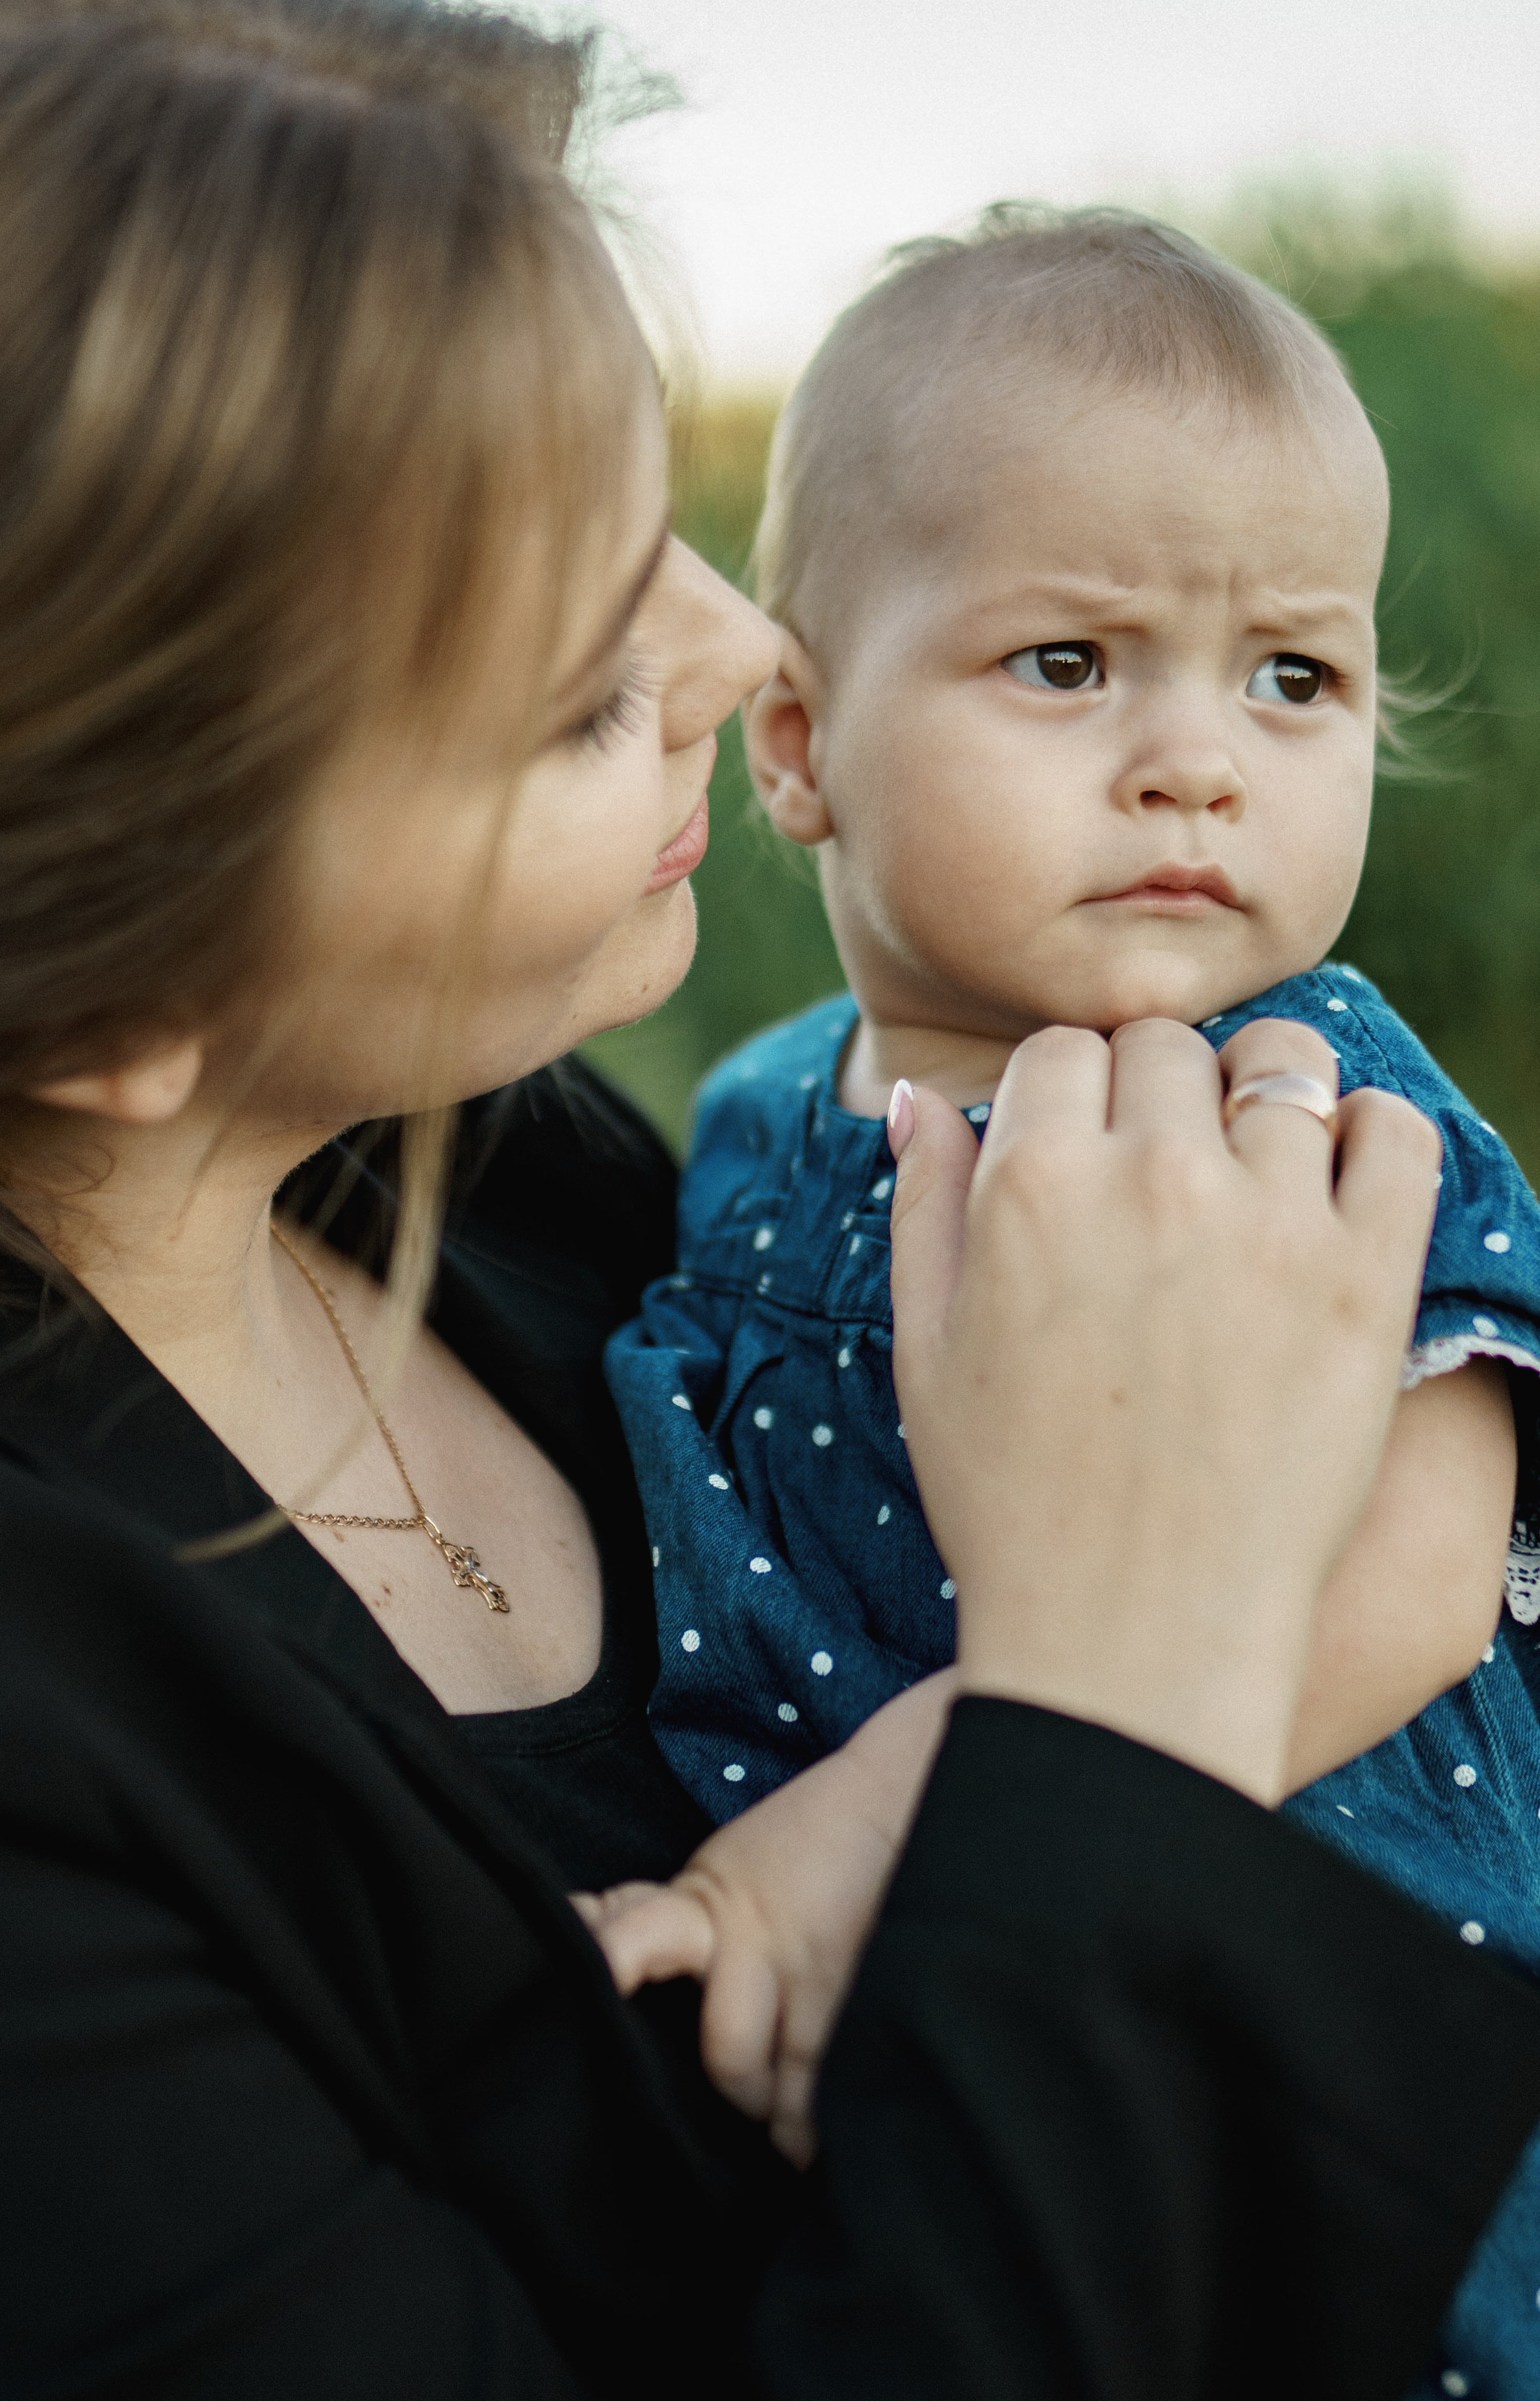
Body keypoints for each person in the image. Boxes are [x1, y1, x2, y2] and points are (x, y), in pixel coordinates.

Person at [0, 0, 1539, 2398]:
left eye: (668, 522)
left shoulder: (511, 1159)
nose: (755, 658)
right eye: (576, 689)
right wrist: (1106, 1703)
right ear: (111, 975)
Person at [600, 211, 1540, 2389]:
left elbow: (1426, 1570)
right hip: (949, 2106)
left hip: (1342, 2040)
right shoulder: (754, 1131)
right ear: (797, 745)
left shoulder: (1311, 1101)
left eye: (1293, 678)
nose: (1199, 760)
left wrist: (886, 1822)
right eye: (1068, 663)